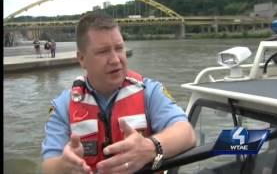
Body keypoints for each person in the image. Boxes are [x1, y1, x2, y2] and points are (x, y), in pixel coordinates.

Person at [41, 13, 196, 174]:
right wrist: (64, 164)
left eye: (119, 48)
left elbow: (187, 133)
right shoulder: (63, 106)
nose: (115, 59)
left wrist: (150, 147)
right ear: (82, 59)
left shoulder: (148, 91)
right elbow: (48, 166)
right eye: (103, 51)